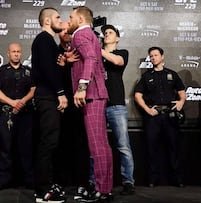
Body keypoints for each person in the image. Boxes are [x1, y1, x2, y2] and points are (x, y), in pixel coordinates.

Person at [67, 6, 113, 202]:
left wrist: (82, 87)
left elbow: (92, 59)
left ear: (79, 19)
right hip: (97, 93)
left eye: (70, 18)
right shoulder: (91, 35)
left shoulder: (80, 34)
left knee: (97, 147)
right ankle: (105, 190)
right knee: (102, 145)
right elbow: (99, 66)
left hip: (92, 95)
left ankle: (102, 191)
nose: (68, 21)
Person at [134, 46, 186, 188]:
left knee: (174, 148)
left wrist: (181, 102)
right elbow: (137, 95)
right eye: (151, 56)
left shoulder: (172, 74)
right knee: (152, 149)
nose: (153, 58)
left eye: (156, 55)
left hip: (170, 115)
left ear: (162, 57)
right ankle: (152, 179)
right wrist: (147, 109)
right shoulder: (146, 76)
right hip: (153, 117)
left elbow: (182, 92)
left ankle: (178, 179)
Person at [31, 7, 68, 203]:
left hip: (48, 96)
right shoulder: (43, 39)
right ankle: (42, 191)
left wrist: (61, 65)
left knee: (51, 142)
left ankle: (47, 183)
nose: (61, 21)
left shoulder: (49, 42)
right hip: (47, 97)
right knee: (48, 143)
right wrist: (61, 93)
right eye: (57, 17)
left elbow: (52, 68)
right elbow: (46, 70)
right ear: (47, 21)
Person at [0, 43, 35, 191]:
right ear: (8, 54)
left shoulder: (28, 71)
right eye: (13, 52)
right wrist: (12, 103)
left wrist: (22, 101)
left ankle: (29, 181)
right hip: (7, 114)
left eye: (18, 52)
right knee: (5, 149)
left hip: (26, 114)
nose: (16, 54)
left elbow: (34, 89)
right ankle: (3, 181)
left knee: (26, 148)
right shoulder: (1, 71)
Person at [54, 21, 90, 188]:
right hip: (61, 104)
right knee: (60, 143)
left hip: (79, 103)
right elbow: (52, 80)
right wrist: (63, 66)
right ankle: (60, 181)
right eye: (62, 30)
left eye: (68, 29)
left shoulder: (81, 49)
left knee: (81, 143)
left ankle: (81, 182)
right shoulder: (55, 52)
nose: (66, 32)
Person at [101, 24, 135, 195]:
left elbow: (117, 61)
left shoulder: (122, 53)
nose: (106, 34)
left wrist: (96, 49)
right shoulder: (96, 55)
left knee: (123, 145)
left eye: (110, 32)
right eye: (104, 33)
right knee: (97, 147)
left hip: (116, 105)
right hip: (98, 105)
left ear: (117, 38)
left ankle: (128, 181)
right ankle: (96, 182)